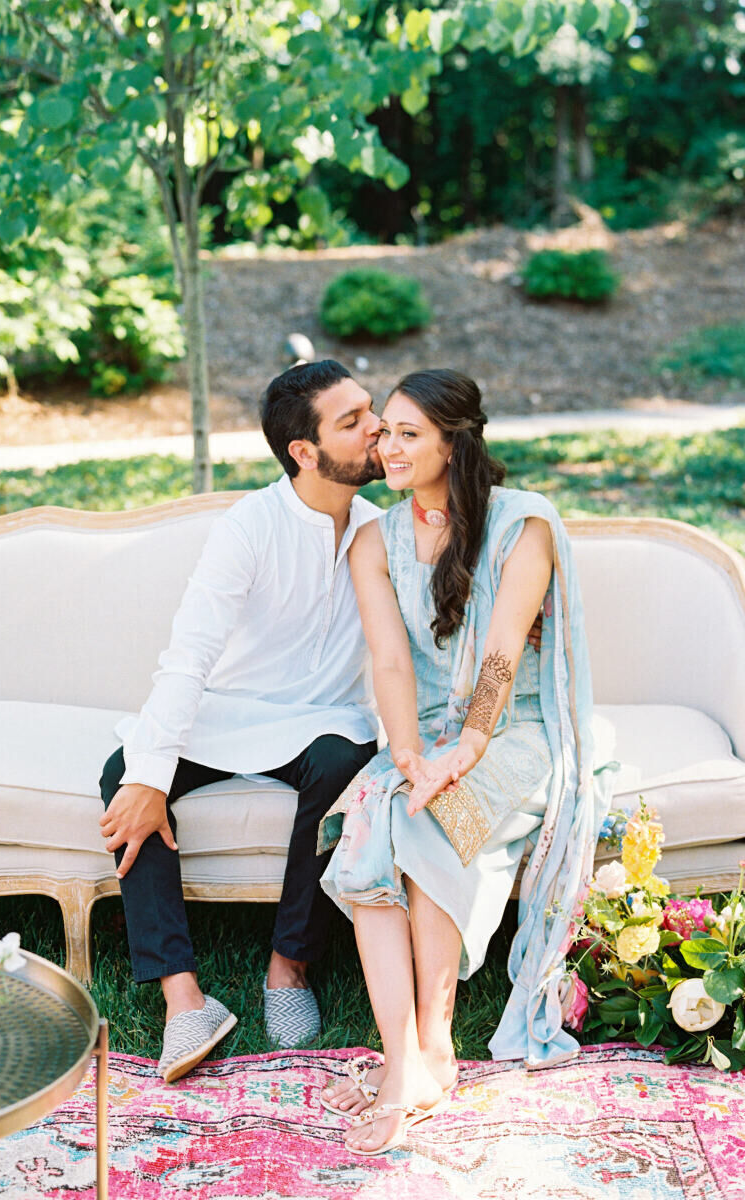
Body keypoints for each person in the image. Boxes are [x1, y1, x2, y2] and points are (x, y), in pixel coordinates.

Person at [317, 369, 614, 1156]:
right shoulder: (374, 539)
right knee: (373, 822)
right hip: (427, 735)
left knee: (424, 824)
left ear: (455, 441)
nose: (387, 446)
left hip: (516, 732)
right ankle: (402, 1056)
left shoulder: (526, 527)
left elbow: (501, 658)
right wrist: (409, 754)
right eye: (384, 431)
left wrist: (464, 753)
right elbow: (389, 662)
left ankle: (437, 1046)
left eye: (409, 433)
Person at [98, 359, 384, 1082]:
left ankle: (287, 966)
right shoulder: (248, 528)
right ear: (305, 453)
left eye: (371, 409)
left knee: (344, 762)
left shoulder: (386, 532)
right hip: (229, 714)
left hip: (324, 721)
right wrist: (150, 776)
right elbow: (189, 658)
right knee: (125, 773)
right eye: (353, 421)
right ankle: (184, 997)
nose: (376, 426)